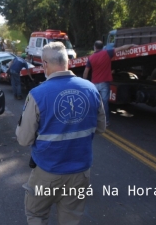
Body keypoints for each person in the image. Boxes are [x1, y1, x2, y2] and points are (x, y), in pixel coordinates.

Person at [16, 41, 106, 225]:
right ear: (68, 62)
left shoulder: (37, 94)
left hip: (48, 172)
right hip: (80, 173)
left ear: (45, 65)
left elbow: (24, 139)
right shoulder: (91, 89)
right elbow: (101, 127)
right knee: (71, 218)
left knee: (36, 215)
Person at [83, 41, 136, 126]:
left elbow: (86, 72)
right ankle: (106, 121)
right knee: (104, 103)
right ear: (102, 47)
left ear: (95, 47)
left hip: (95, 83)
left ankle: (93, 120)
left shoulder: (91, 58)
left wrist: (84, 83)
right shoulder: (107, 53)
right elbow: (122, 48)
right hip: (104, 83)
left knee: (95, 102)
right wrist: (132, 45)